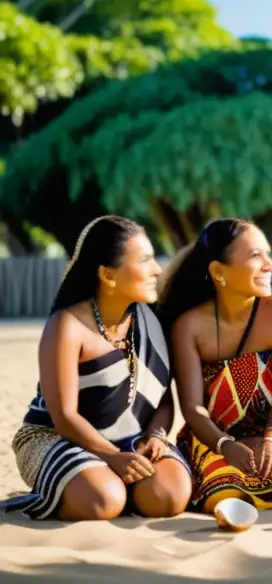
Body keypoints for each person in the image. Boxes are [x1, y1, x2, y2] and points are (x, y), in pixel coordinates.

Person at [4, 216, 191, 521]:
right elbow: (64, 418)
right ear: (108, 274)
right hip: (55, 438)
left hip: (133, 439)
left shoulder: (151, 320)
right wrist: (113, 458)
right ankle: (82, 486)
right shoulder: (66, 326)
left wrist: (156, 435)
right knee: (103, 500)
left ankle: (106, 481)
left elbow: (164, 398)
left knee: (168, 496)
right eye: (145, 261)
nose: (157, 269)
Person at [161, 219, 272, 513]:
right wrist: (224, 445)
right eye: (256, 256)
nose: (270, 265)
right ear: (218, 272)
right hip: (212, 437)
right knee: (221, 493)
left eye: (268, 254)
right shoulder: (188, 327)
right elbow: (193, 409)